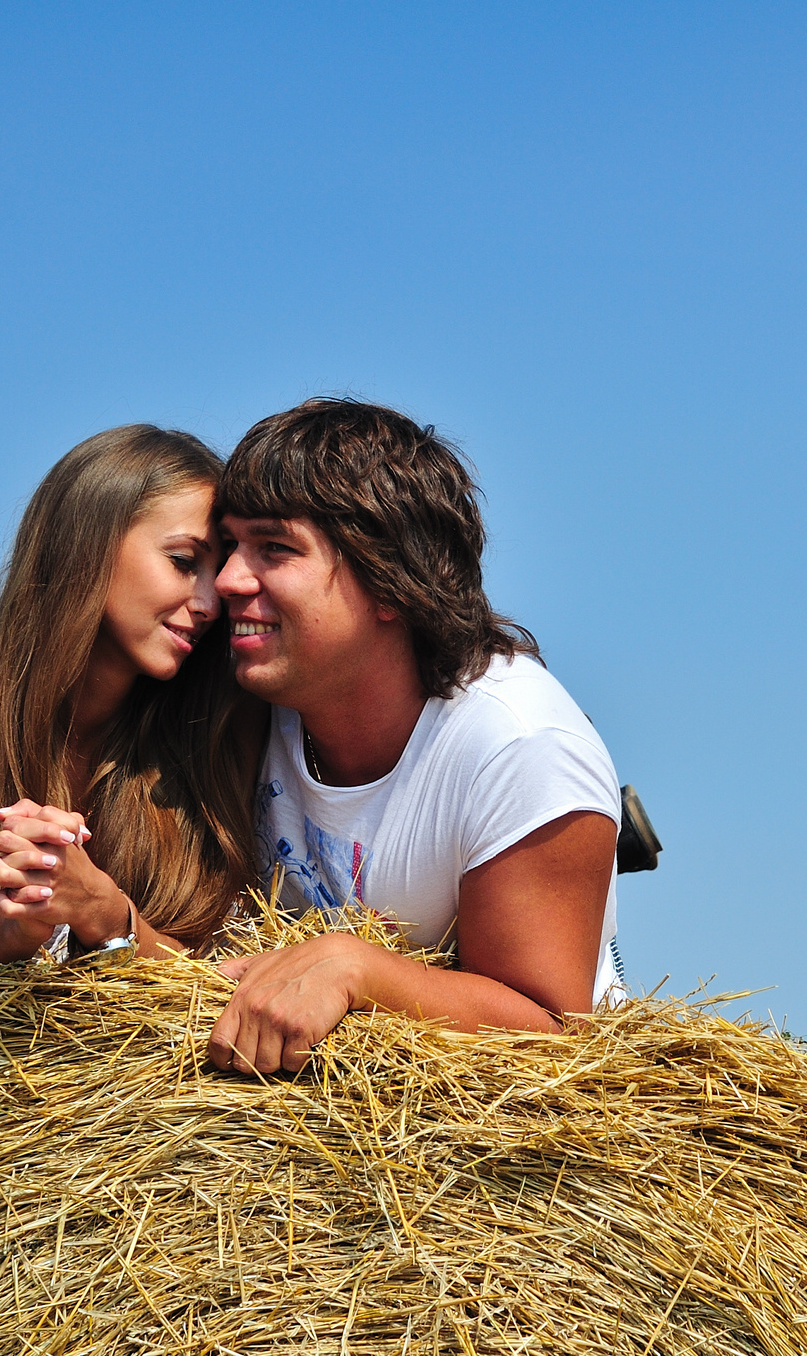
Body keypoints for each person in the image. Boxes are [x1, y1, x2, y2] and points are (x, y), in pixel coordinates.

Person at [206, 398, 622, 1074]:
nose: (226, 579)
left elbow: (550, 1027)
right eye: (229, 546)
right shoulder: (243, 699)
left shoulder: (518, 744)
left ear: (389, 581)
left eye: (273, 548)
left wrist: (355, 967)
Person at [0, 425, 265, 961]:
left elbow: (215, 986)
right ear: (89, 543)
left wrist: (105, 914)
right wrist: (23, 924)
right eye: (182, 561)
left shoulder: (216, 723)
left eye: (215, 572)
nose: (210, 603)